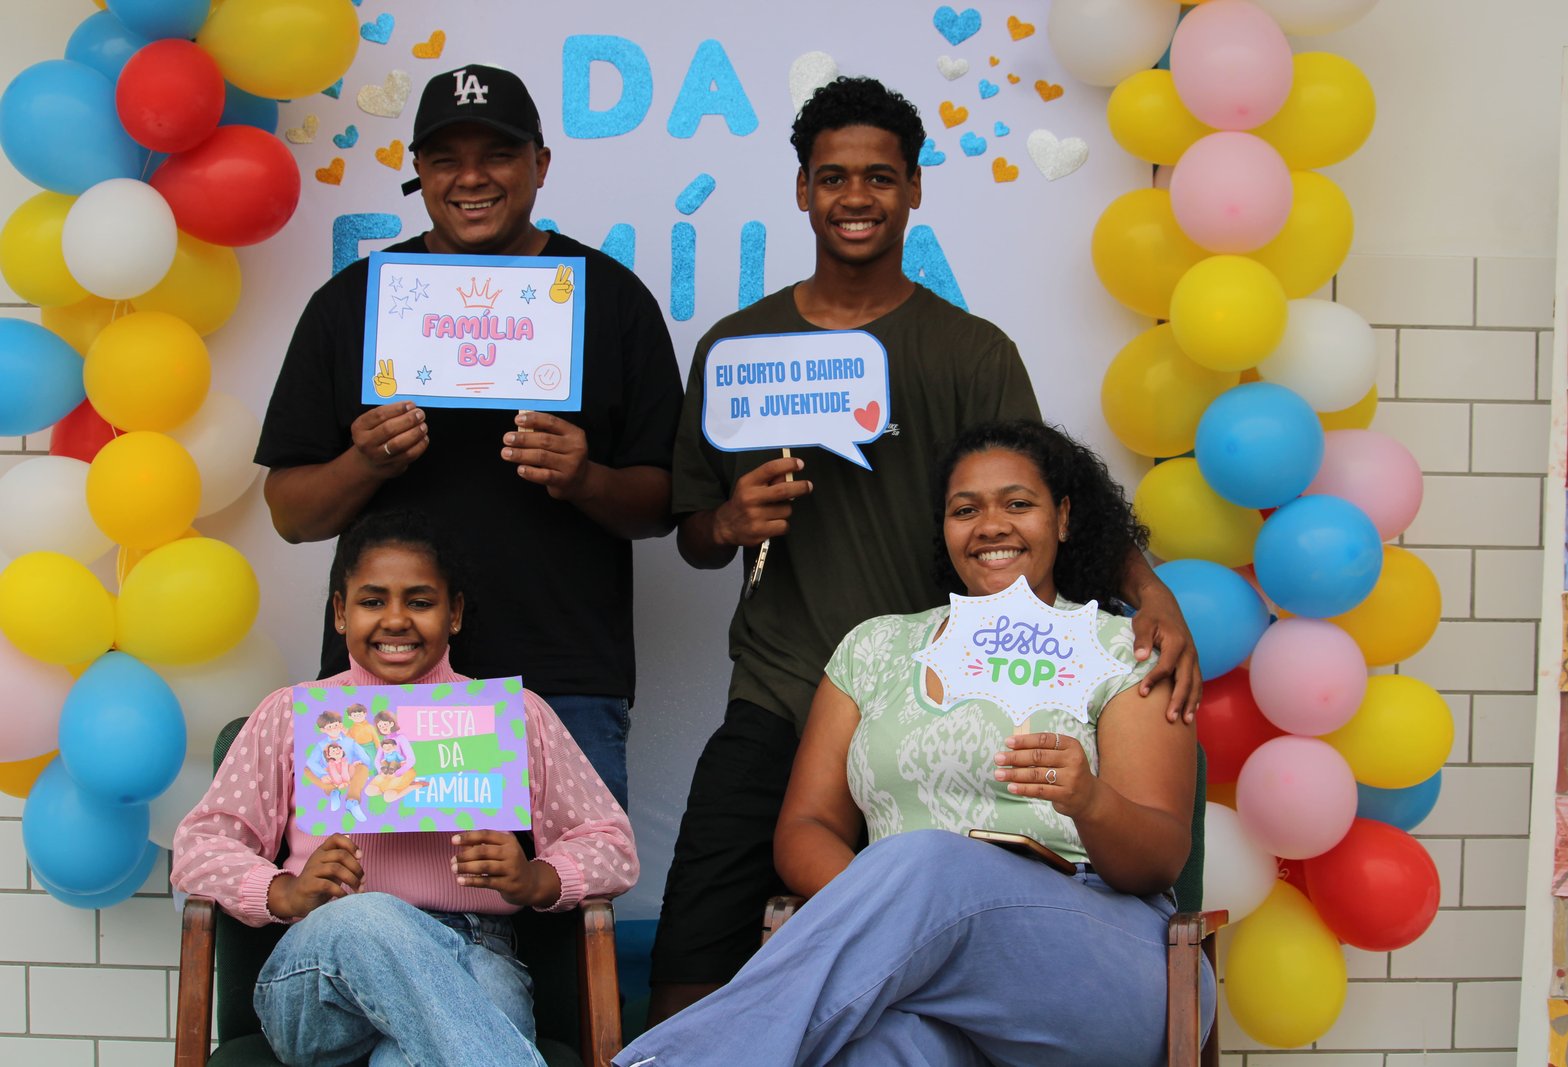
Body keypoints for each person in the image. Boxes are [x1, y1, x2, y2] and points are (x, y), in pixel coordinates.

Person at [648, 75, 1202, 1021]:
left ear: (913, 189)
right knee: (694, 938)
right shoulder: (736, 349)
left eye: (878, 178)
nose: (854, 198)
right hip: (786, 680)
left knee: (948, 922)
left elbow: (1040, 497)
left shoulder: (970, 351)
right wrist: (730, 522)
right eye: (831, 178)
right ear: (800, 191)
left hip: (935, 689)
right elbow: (694, 536)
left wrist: (1151, 589)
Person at [618, 420, 1211, 1067]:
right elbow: (806, 825)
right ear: (945, 528)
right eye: (966, 509)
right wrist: (896, 916)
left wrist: (1090, 800)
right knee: (877, 1049)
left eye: (1018, 503)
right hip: (920, 978)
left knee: (933, 862)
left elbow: (1159, 860)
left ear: (1064, 517)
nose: (991, 525)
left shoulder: (1129, 650)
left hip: (1102, 961)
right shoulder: (874, 646)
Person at [254, 63, 684, 808]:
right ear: (417, 170)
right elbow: (291, 514)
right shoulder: (351, 304)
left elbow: (664, 503)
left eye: (499, 155)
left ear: (540, 164)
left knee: (564, 907)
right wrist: (364, 462)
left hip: (563, 683)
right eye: (446, 158)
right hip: (383, 679)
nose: (471, 178)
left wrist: (585, 479)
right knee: (378, 913)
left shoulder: (612, 300)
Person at [171, 510, 636, 1066]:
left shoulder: (511, 718)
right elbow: (199, 846)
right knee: (367, 917)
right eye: (372, 601)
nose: (396, 620)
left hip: (475, 952)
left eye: (419, 601)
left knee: (410, 1052)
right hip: (321, 972)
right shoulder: (291, 716)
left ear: (454, 613)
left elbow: (612, 844)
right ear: (341, 614)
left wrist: (538, 878)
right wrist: (283, 893)